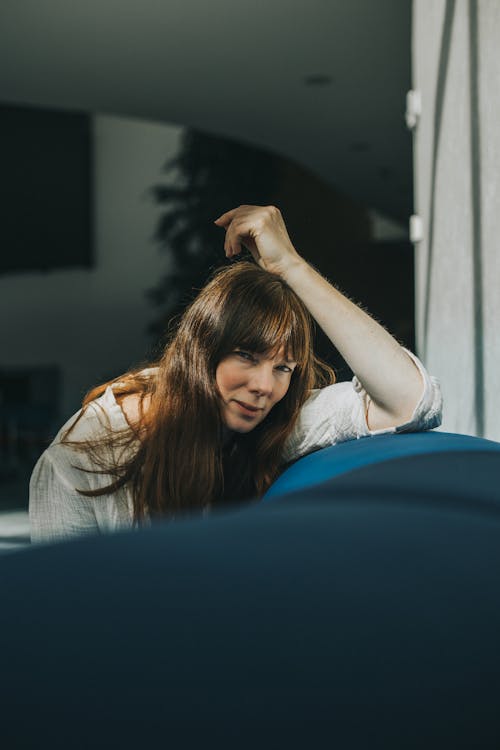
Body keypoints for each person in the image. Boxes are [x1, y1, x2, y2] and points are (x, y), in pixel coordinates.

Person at [29, 205, 442, 543]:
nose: (264, 386)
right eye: (246, 356)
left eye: (283, 367)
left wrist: (291, 266)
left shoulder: (273, 419)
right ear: (202, 351)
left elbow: (410, 401)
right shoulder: (87, 455)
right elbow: (61, 604)